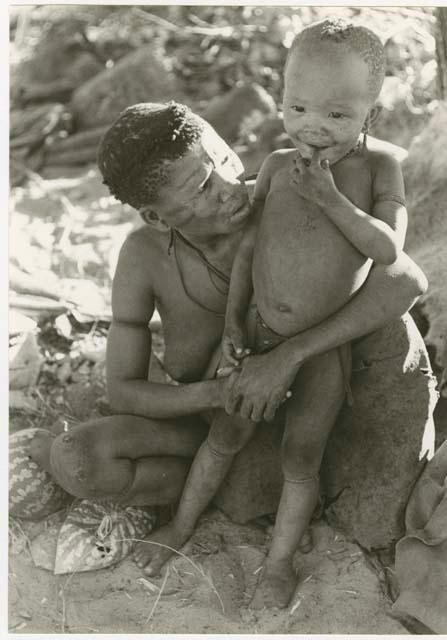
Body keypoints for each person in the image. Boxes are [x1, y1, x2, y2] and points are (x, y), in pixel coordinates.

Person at [29, 96, 426, 604]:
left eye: (221, 160)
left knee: (270, 472)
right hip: (214, 418)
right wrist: (221, 392)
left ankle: (251, 504)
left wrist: (286, 358)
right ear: (156, 218)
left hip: (301, 414)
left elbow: (406, 277)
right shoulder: (145, 256)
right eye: (200, 188)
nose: (227, 189)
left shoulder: (289, 192)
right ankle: (209, 498)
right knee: (79, 460)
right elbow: (125, 390)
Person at [126, 18, 417, 610]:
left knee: (300, 459)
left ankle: (279, 563)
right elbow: (253, 252)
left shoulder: (379, 169)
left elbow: (389, 252)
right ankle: (181, 526)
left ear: (371, 114)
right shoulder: (280, 166)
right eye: (299, 106)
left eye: (337, 116)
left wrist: (331, 200)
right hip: (255, 333)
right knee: (224, 435)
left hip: (321, 353)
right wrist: (234, 325)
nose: (313, 126)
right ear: (281, 98)